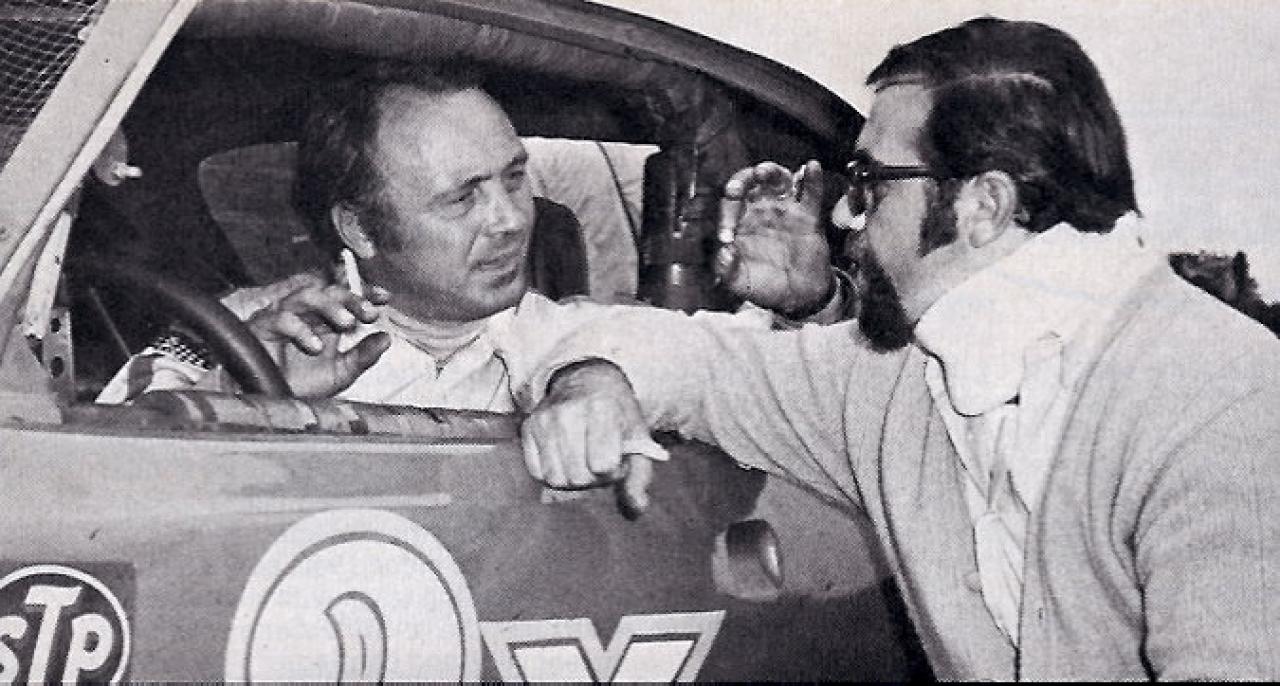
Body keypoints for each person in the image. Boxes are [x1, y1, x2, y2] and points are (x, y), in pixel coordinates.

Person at [518, 17, 1280, 680]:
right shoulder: (898, 380)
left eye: (869, 182)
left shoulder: (1220, 397)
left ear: (983, 206)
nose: (845, 216)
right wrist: (594, 378)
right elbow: (699, 362)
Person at [99, 62, 845, 417]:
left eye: (515, 179)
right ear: (358, 226)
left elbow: (789, 387)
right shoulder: (242, 331)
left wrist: (810, 304)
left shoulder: (582, 335)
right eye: (463, 197)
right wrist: (237, 394)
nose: (511, 219)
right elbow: (102, 471)